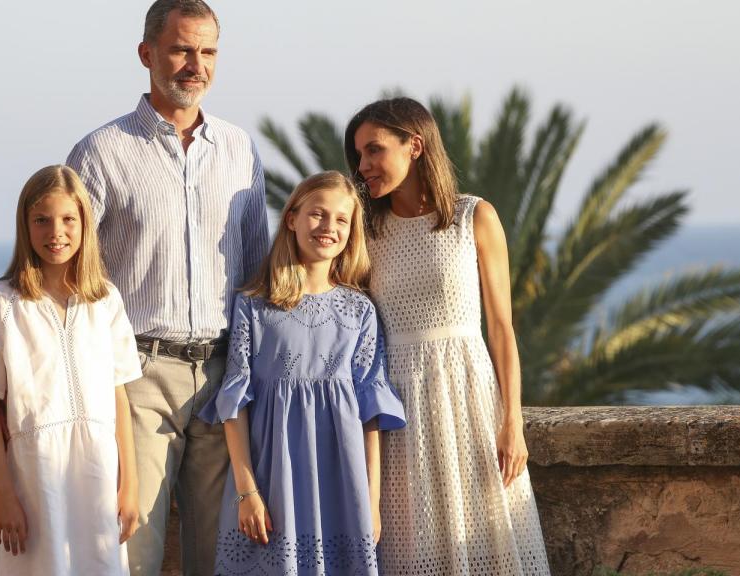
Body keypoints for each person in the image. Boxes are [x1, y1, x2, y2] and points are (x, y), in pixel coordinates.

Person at [65, 1, 269, 573]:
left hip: (225, 376)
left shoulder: (240, 151)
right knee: (133, 548)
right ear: (146, 54)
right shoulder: (100, 153)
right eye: (181, 49)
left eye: (207, 52)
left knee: (220, 555)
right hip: (138, 376)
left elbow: (257, 273)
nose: (194, 65)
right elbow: (74, 276)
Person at [346, 98, 552, 574]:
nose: (364, 166)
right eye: (358, 155)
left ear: (414, 145)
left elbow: (502, 328)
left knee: (487, 540)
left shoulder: (472, 216)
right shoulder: (366, 229)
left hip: (468, 394)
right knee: (409, 545)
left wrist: (512, 422)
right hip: (397, 402)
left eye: (374, 150)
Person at [199, 170, 406, 576]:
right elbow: (234, 405)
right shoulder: (255, 306)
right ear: (291, 218)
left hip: (342, 487)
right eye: (317, 214)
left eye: (341, 219)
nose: (329, 227)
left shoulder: (359, 311)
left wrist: (372, 502)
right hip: (270, 482)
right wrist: (246, 492)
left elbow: (370, 415)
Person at [0, 165, 141, 575]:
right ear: (25, 226)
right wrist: (4, 494)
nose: (55, 232)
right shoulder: (4, 304)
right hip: (35, 479)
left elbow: (119, 396)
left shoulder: (105, 300)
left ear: (84, 224)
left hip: (97, 474)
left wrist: (129, 485)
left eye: (67, 219)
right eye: (42, 220)